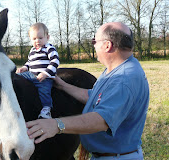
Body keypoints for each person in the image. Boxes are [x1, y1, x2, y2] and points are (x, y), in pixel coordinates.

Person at [26, 22, 149, 160]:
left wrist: (56, 124)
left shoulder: (124, 79)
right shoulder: (117, 70)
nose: (94, 45)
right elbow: (96, 98)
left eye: (94, 41)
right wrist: (64, 86)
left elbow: (101, 120)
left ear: (107, 45)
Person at [16, 22, 60, 119]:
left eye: (40, 38)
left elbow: (55, 61)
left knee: (44, 91)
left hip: (44, 78)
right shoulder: (32, 51)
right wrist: (25, 67)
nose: (37, 41)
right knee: (17, 77)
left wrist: (45, 73)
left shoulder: (49, 48)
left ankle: (46, 110)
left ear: (47, 37)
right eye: (34, 39)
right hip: (31, 75)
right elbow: (29, 62)